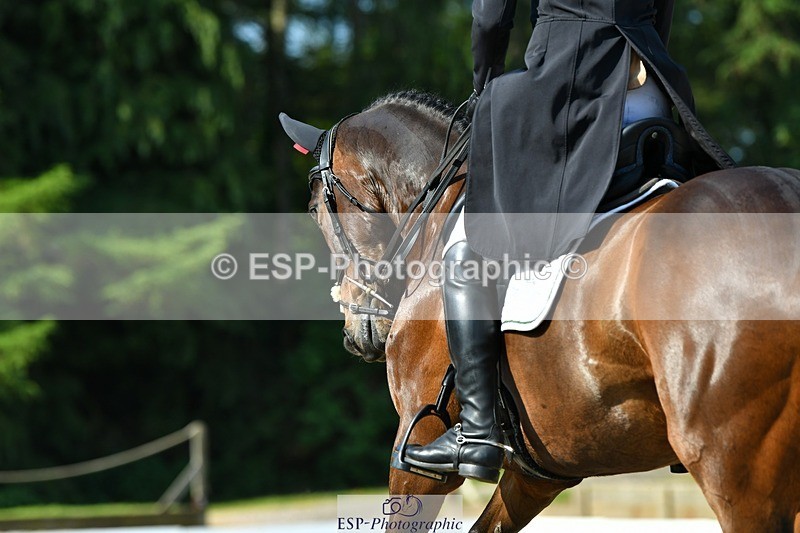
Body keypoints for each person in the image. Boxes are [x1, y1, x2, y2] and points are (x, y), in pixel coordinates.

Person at [402, 0, 734, 484]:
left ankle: (478, 429)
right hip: (654, 91)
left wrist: (485, 82)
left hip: (569, 90)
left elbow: (491, 17)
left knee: (468, 248)